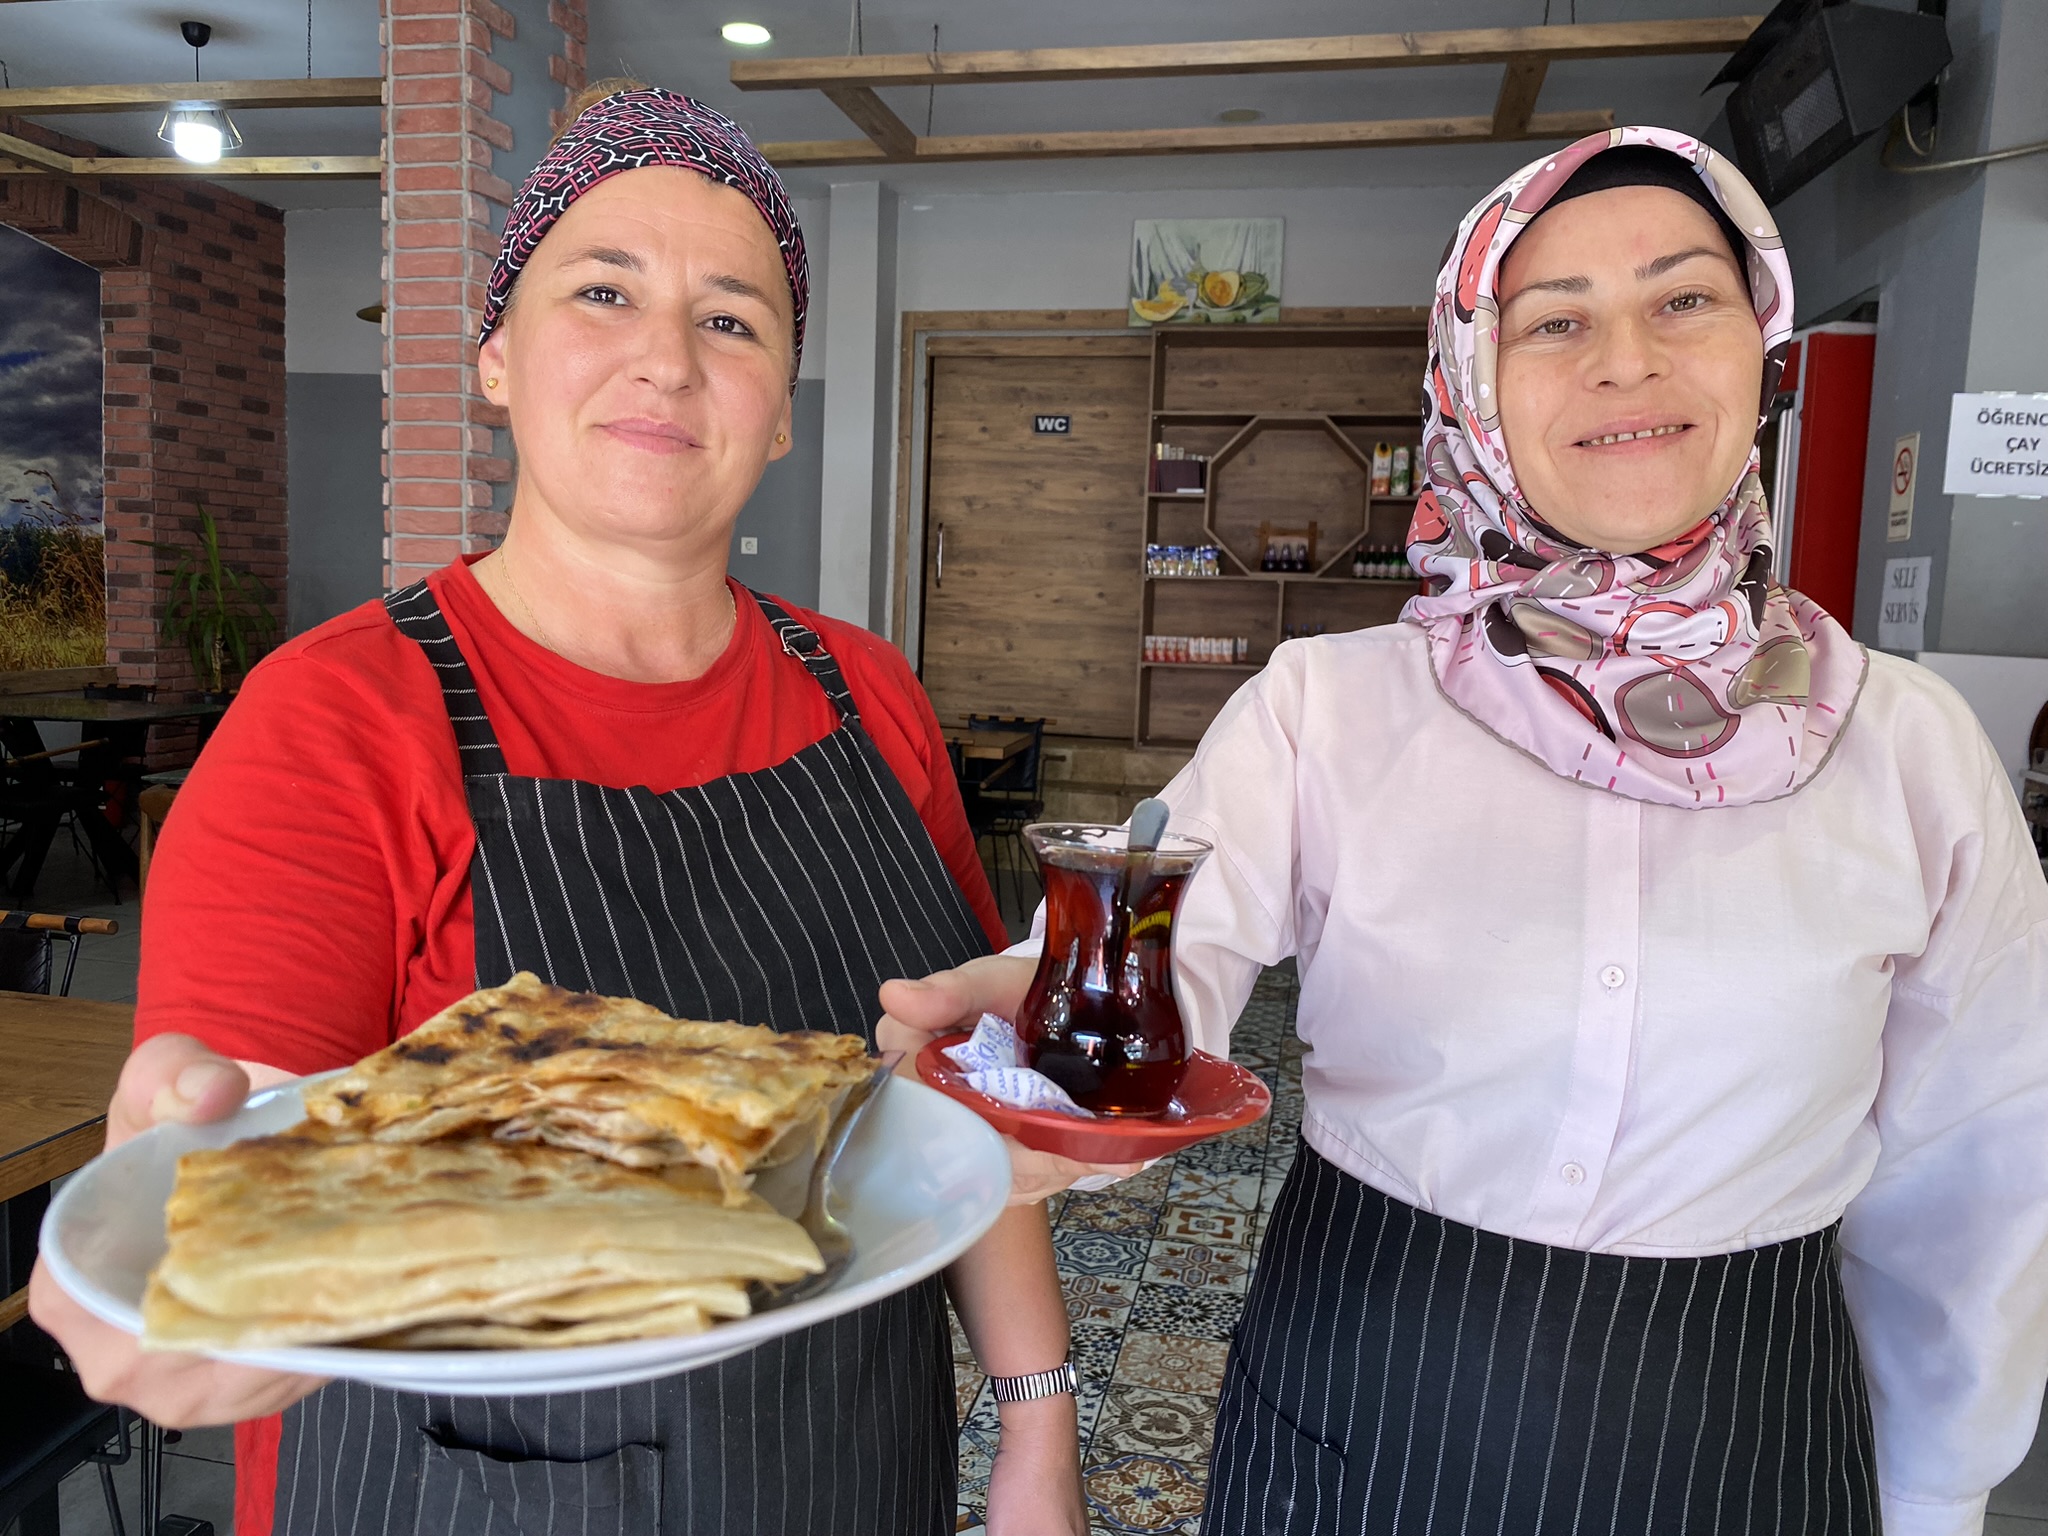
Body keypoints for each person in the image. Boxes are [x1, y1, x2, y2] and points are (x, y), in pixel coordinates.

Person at [880, 128, 2048, 1535]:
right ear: (1473, 381)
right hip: (1367, 1393)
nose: (1626, 358)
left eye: (1686, 297)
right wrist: (1048, 1026)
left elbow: (1976, 1171)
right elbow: (1165, 943)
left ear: (1766, 347)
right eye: (1554, 320)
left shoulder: (1910, 752)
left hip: (1747, 1423)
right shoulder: (1334, 706)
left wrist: (1936, 1490)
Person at [30, 84, 1086, 1536]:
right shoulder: (332, 720)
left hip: (844, 1453)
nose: (665, 358)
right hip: (459, 1488)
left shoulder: (867, 695)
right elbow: (237, 1159)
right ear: (496, 357)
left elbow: (953, 1114)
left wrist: (1037, 1420)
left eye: (732, 319)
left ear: (780, 411)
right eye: (603, 292)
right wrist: (179, 1250)